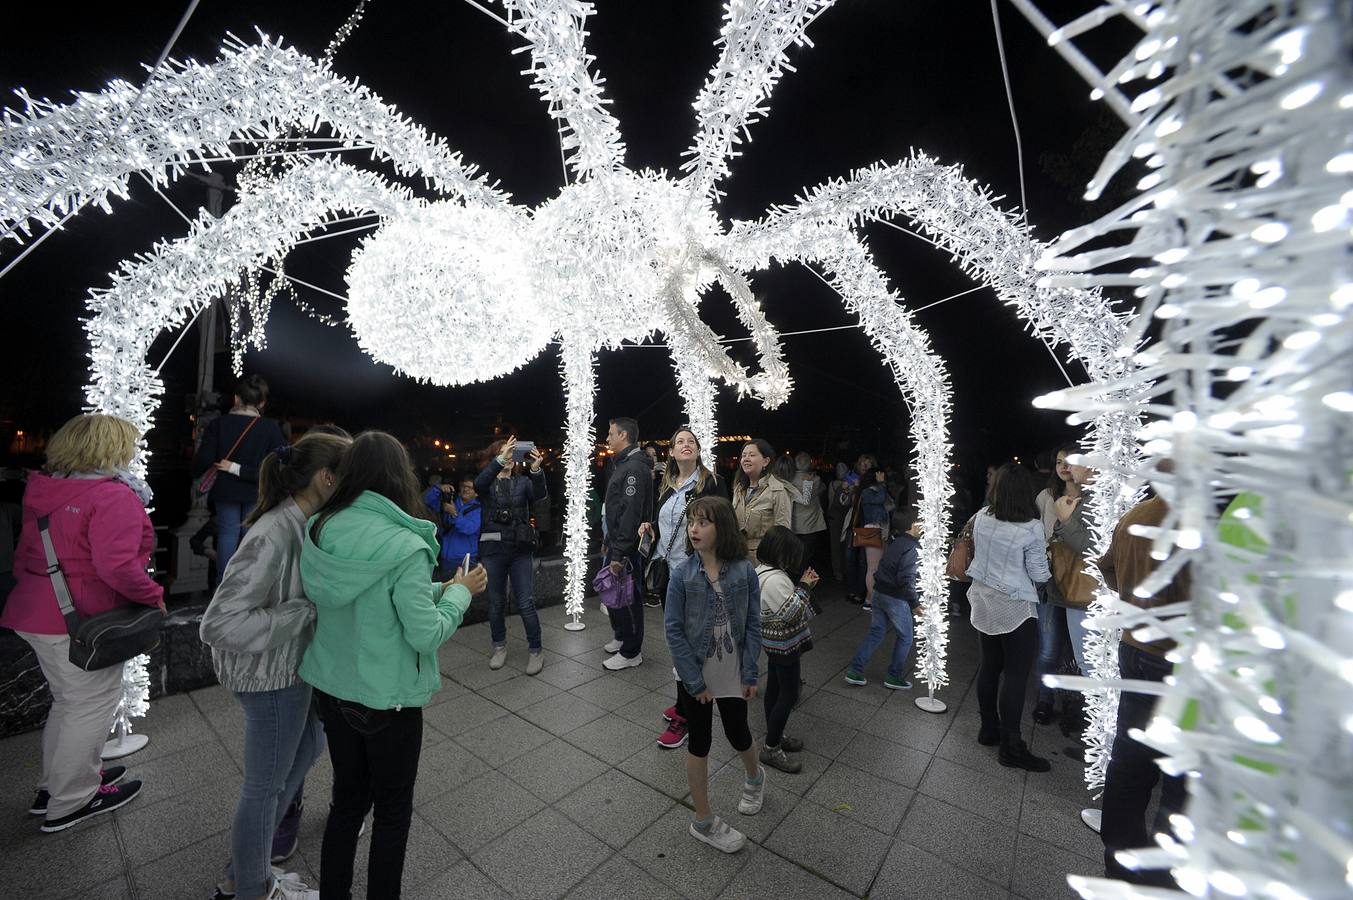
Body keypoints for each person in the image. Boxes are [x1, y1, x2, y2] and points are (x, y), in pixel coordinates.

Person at [299, 431, 487, 900]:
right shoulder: (406, 544)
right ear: (398, 475)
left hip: (332, 688)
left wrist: (440, 589)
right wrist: (461, 594)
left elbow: (371, 600)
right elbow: (425, 633)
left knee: (346, 804)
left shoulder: (321, 526)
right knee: (391, 812)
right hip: (388, 701)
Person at [200, 432, 350, 900]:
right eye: (349, 476)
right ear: (327, 478)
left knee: (301, 757)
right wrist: (305, 613)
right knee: (265, 788)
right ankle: (248, 885)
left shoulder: (303, 522)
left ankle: (247, 870)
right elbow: (219, 623)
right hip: (269, 678)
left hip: (291, 670)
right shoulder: (273, 532)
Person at [0, 414, 163, 832]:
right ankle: (72, 800)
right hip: (81, 620)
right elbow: (118, 568)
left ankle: (55, 786)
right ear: (110, 450)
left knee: (69, 703)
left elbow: (24, 555)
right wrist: (154, 596)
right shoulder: (112, 497)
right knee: (88, 707)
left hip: (34, 610)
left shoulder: (44, 487)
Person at [1096, 483, 1189, 888]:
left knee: (1131, 755)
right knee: (1181, 773)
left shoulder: (1137, 514)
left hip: (1135, 643)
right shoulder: (1195, 522)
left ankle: (1119, 852)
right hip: (1174, 654)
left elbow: (1108, 567)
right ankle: (1162, 872)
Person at [664, 496, 765, 853]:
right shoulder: (681, 574)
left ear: (721, 528)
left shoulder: (744, 571)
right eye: (691, 521)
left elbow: (754, 623)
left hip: (733, 671)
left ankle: (755, 778)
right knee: (699, 741)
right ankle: (703, 820)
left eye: (703, 522)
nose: (694, 528)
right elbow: (673, 630)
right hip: (695, 675)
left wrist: (750, 672)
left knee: (739, 733)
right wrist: (694, 682)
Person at [638, 428, 725, 749]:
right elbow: (662, 523)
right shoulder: (665, 485)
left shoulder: (711, 483)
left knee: (688, 645)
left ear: (698, 450)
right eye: (679, 442)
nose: (686, 445)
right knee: (676, 639)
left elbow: (722, 526)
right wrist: (649, 527)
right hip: (667, 573)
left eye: (691, 441)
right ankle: (683, 701)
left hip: (695, 574)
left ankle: (687, 717)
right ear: (671, 452)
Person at [963, 463, 1053, 772]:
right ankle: (1011, 746)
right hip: (1015, 606)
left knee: (989, 666)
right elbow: (1039, 573)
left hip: (983, 598)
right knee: (1015, 674)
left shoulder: (982, 518)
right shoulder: (1031, 526)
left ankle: (988, 729)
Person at [192, 375, 288, 577]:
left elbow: (204, 459)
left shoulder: (219, 424)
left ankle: (223, 584)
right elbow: (280, 463)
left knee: (227, 535)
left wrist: (194, 474)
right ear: (262, 403)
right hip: (256, 489)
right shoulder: (271, 429)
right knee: (250, 536)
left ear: (236, 399)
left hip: (226, 489)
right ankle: (246, 584)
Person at [475, 437, 547, 674]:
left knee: (525, 602)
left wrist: (536, 471)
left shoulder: (523, 481)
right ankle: (499, 647)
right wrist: (499, 459)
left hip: (519, 550)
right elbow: (478, 484)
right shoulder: (487, 483)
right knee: (495, 603)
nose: (507, 458)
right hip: (493, 551)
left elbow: (539, 495)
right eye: (502, 454)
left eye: (510, 455)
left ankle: (536, 650)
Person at [755, 526, 818, 773]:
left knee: (774, 688)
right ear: (781, 554)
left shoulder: (762, 571)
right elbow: (793, 613)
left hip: (773, 644)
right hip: (784, 645)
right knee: (789, 695)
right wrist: (805, 586)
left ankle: (775, 733)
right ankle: (771, 748)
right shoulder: (776, 580)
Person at [844, 505, 922, 691]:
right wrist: (914, 603)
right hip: (895, 597)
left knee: (876, 631)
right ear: (913, 525)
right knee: (906, 637)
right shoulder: (912, 547)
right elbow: (906, 578)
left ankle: (855, 670)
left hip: (879, 592)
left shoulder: (896, 542)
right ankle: (894, 676)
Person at [1032, 444, 1081, 725]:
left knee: (1079, 652)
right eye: (1059, 461)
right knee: (1049, 648)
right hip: (1051, 580)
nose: (1064, 467)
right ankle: (1045, 700)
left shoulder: (1093, 499)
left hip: (1081, 582)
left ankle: (1074, 703)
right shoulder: (1047, 497)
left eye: (1070, 461)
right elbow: (1038, 534)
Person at [601, 416, 652, 670]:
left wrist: (619, 552)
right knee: (617, 595)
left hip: (628, 547)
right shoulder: (624, 464)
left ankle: (632, 652)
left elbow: (630, 513)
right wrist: (609, 541)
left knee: (629, 599)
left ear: (623, 436)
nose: (607, 438)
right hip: (619, 542)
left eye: (610, 434)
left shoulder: (632, 467)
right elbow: (617, 509)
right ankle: (622, 637)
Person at [731, 439, 792, 562]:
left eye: (752, 455)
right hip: (738, 556)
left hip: (763, 559)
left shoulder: (778, 490)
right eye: (743, 455)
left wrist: (772, 562)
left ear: (765, 461)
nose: (746, 458)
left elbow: (782, 533)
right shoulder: (739, 489)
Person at [850, 454, 891, 610]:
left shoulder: (870, 490)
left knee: (877, 567)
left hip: (878, 529)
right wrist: (882, 484)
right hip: (873, 529)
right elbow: (880, 499)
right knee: (873, 568)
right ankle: (871, 601)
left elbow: (888, 504)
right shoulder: (867, 491)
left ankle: (870, 598)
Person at [788, 451, 827, 576]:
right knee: (807, 556)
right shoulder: (815, 479)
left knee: (794, 555)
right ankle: (804, 581)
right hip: (811, 524)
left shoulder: (789, 479)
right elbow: (821, 490)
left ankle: (794, 580)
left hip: (794, 523)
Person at [441, 477, 481, 576]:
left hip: (466, 559)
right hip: (446, 557)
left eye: (470, 487)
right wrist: (439, 488)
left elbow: (469, 528)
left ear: (476, 493)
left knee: (464, 590)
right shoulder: (452, 501)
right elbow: (427, 500)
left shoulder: (479, 509)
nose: (465, 489)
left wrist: (454, 513)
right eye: (463, 486)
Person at [826, 462, 853, 582]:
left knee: (835, 546)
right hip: (846, 516)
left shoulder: (832, 484)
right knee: (845, 545)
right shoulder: (850, 485)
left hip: (834, 517)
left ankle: (837, 572)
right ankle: (845, 570)